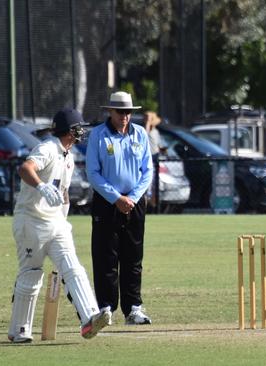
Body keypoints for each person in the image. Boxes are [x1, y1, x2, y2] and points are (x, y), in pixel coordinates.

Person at [8, 108, 111, 343]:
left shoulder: (68, 156)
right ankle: (19, 330)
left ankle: (90, 318)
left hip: (56, 223)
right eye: (79, 128)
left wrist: (63, 216)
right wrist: (41, 187)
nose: (82, 132)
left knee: (73, 267)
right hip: (31, 221)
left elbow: (63, 192)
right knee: (32, 275)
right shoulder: (47, 148)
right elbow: (25, 168)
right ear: (70, 131)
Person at [85, 91, 154, 325]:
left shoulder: (140, 134)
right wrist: (116, 198)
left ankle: (133, 308)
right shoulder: (98, 135)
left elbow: (148, 171)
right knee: (106, 256)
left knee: (133, 257)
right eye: (120, 112)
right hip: (107, 202)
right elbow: (93, 172)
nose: (125, 116)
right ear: (110, 112)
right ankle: (105, 308)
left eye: (128, 112)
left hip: (134, 203)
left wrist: (132, 197)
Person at [143, 111, 164, 208]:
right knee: (148, 184)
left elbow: (158, 144)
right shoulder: (144, 130)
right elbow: (145, 137)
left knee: (154, 184)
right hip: (147, 159)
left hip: (155, 159)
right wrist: (147, 123)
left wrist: (162, 149)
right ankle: (147, 203)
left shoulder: (156, 131)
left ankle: (153, 205)